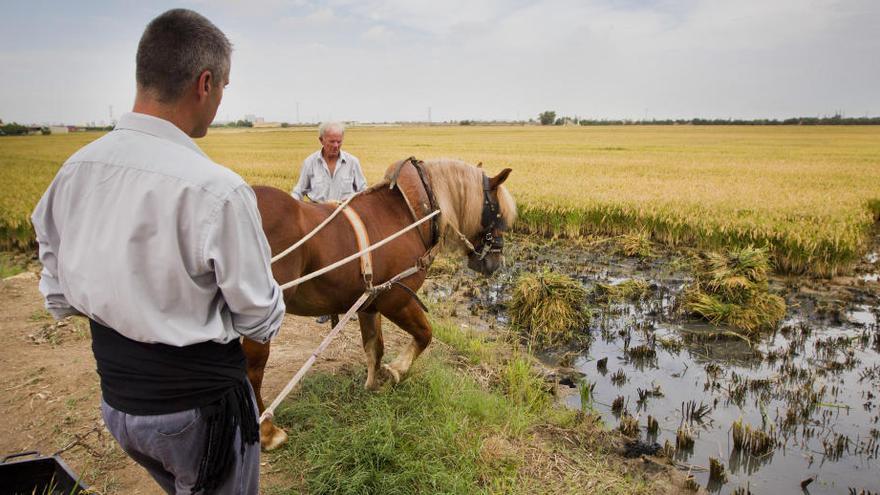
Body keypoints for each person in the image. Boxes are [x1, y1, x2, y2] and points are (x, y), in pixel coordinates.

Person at [31, 9, 285, 494]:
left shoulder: (74, 171)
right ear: (204, 84)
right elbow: (259, 319)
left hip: (119, 408)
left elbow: (57, 296)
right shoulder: (219, 191)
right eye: (225, 87)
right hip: (198, 419)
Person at [290, 121, 367, 202]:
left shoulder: (352, 162)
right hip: (318, 212)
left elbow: (363, 191)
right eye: (332, 141)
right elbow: (298, 191)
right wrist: (289, 204)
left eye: (339, 141)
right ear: (321, 140)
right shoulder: (310, 162)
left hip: (344, 212)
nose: (336, 146)